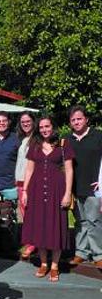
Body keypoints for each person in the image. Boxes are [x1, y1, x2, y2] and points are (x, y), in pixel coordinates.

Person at [21, 116, 74, 281]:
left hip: (57, 190)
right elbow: (29, 169)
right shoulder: (34, 144)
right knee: (40, 226)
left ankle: (54, 266)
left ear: (53, 126)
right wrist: (25, 191)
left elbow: (69, 170)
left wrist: (67, 193)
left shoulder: (63, 144)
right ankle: (44, 263)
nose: (44, 129)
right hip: (36, 189)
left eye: (47, 126)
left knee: (55, 225)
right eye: (41, 127)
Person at [65, 106, 102, 268]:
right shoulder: (66, 139)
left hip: (94, 187)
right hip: (75, 187)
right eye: (73, 120)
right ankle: (81, 252)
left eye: (79, 118)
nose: (76, 122)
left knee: (95, 221)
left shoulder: (98, 136)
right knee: (80, 221)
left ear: (86, 119)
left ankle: (98, 254)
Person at [15, 112, 36, 259]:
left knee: (31, 212)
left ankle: (33, 243)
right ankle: (30, 241)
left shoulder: (37, 139)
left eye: (28, 121)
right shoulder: (23, 139)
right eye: (23, 122)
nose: (26, 124)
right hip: (20, 181)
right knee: (25, 213)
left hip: (30, 182)